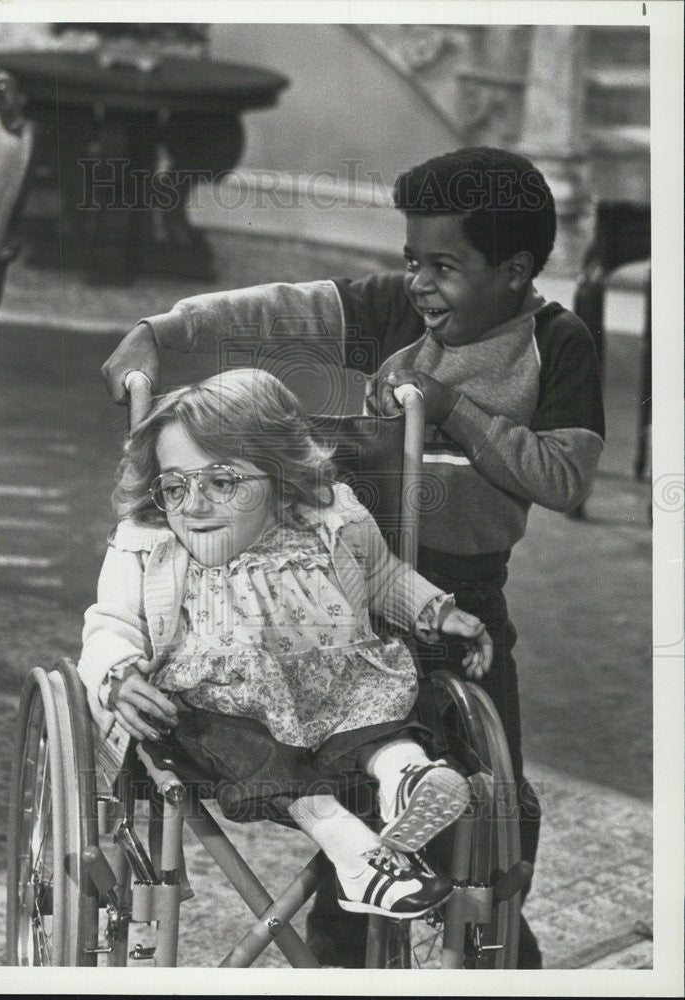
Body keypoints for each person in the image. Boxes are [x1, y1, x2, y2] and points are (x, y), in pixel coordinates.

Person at [99, 146, 605, 967]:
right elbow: (274, 312)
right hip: (343, 589)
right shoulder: (388, 313)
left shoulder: (559, 342)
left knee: (498, 800)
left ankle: (490, 935)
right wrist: (160, 329)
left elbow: (561, 474)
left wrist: (453, 411)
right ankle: (346, 941)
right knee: (352, 783)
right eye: (412, 260)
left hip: (464, 592)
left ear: (515, 271)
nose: (420, 283)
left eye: (445, 265)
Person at [78, 368, 495, 921]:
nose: (193, 505)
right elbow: (110, 622)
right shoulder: (148, 544)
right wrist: (119, 675)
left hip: (333, 690)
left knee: (389, 706)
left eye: (222, 482)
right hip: (218, 709)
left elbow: (379, 577)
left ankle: (405, 777)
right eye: (175, 486)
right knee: (248, 746)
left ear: (280, 475)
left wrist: (433, 608)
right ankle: (356, 854)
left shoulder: (329, 519)